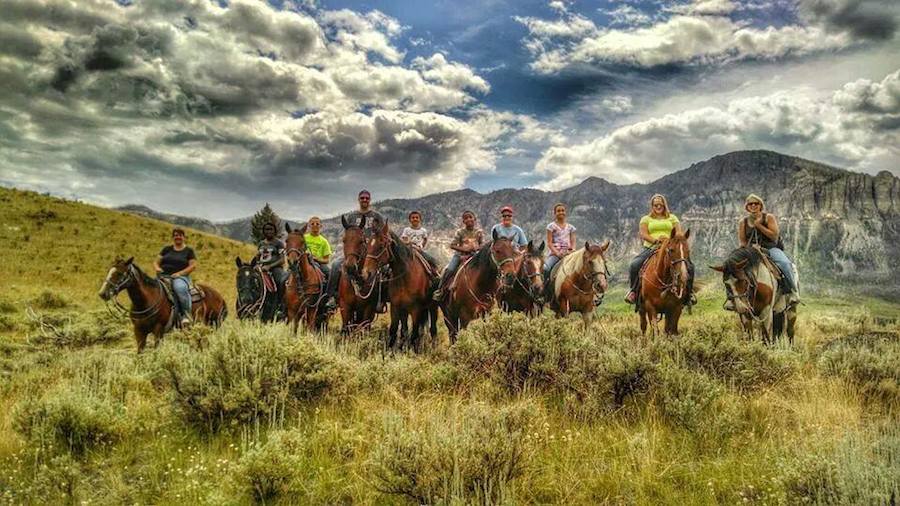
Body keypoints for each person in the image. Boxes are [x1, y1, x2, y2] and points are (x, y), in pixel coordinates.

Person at [624, 194, 695, 305]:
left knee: (689, 266)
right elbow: (643, 234)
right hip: (652, 247)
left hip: (670, 248)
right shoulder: (646, 219)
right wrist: (656, 241)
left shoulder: (672, 218)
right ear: (652, 206)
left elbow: (679, 233)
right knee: (635, 264)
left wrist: (669, 241)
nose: (658, 206)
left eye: (660, 204)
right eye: (655, 205)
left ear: (664, 204)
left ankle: (689, 293)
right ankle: (633, 292)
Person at [325, 189, 387, 311]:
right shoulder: (352, 216)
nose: (364, 200)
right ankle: (331, 297)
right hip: (354, 251)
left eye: (367, 198)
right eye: (362, 198)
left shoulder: (377, 216)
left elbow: (382, 234)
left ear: (369, 200)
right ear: (359, 200)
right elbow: (348, 235)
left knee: (385, 270)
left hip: (372, 252)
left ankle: (380, 300)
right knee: (336, 265)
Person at [738, 193, 799, 305]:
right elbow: (742, 241)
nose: (753, 206)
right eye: (750, 204)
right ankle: (735, 298)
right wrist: (749, 247)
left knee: (785, 264)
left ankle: (793, 292)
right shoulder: (743, 222)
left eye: (756, 204)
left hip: (771, 249)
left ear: (760, 205)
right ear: (747, 207)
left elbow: (774, 236)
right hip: (751, 250)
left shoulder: (768, 217)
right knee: (733, 266)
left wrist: (759, 226)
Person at [433, 210, 484, 301]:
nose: (468, 219)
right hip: (460, 255)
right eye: (466, 218)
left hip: (475, 255)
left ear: (474, 219)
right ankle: (440, 290)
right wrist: (465, 249)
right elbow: (452, 245)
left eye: (470, 217)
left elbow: (482, 245)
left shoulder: (479, 232)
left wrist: (477, 248)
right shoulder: (460, 232)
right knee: (449, 269)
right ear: (463, 221)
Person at [153, 228, 196, 326]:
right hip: (163, 276)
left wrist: (180, 274)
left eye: (180, 235)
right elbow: (156, 262)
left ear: (184, 237)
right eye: (176, 235)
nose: (178, 237)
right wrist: (157, 268)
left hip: (180, 277)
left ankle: (186, 315)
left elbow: (192, 266)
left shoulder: (189, 251)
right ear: (173, 237)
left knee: (179, 289)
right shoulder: (166, 249)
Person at [544, 203, 576, 277]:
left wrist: (572, 251)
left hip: (568, 254)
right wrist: (558, 254)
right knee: (545, 268)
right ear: (555, 213)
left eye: (563, 210)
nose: (561, 212)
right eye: (558, 211)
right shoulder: (551, 227)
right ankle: (544, 287)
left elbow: (573, 243)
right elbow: (549, 243)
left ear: (565, 212)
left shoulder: (571, 228)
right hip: (555, 254)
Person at [255, 222, 287, 292]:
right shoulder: (261, 243)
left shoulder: (279, 243)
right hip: (261, 268)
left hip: (275, 269)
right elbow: (258, 256)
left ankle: (280, 300)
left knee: (280, 281)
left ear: (274, 231)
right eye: (267, 229)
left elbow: (282, 260)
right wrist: (257, 265)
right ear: (264, 231)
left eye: (271, 229)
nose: (269, 231)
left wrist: (270, 266)